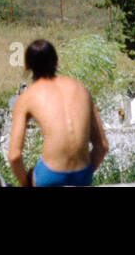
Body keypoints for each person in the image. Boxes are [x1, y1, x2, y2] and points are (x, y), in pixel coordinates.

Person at [8, 39, 108, 187]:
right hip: (83, 174)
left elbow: (14, 156)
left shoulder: (26, 98)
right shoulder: (80, 89)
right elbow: (102, 146)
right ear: (56, 61)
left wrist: (27, 183)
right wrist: (84, 174)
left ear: (28, 66)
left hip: (50, 174)